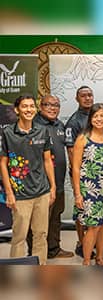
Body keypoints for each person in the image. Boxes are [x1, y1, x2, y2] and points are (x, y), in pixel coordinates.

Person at [0, 95, 56, 265]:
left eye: (32, 106)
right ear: (17, 110)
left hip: (42, 192)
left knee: (41, 235)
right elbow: (3, 164)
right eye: (24, 106)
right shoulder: (8, 133)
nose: (29, 110)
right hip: (20, 195)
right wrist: (9, 192)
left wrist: (52, 186)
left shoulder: (42, 131)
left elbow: (47, 160)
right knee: (19, 237)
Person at [65, 86, 103, 258]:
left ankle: (100, 259)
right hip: (90, 189)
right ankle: (87, 261)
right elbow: (76, 166)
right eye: (96, 116)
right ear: (91, 119)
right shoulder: (82, 138)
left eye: (102, 116)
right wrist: (78, 194)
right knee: (93, 227)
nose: (99, 119)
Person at [27, 95, 74, 259]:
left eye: (56, 105)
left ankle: (53, 249)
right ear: (41, 106)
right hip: (41, 185)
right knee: (38, 222)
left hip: (58, 182)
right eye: (48, 105)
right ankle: (34, 254)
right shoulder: (34, 125)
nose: (53, 108)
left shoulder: (60, 125)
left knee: (55, 217)